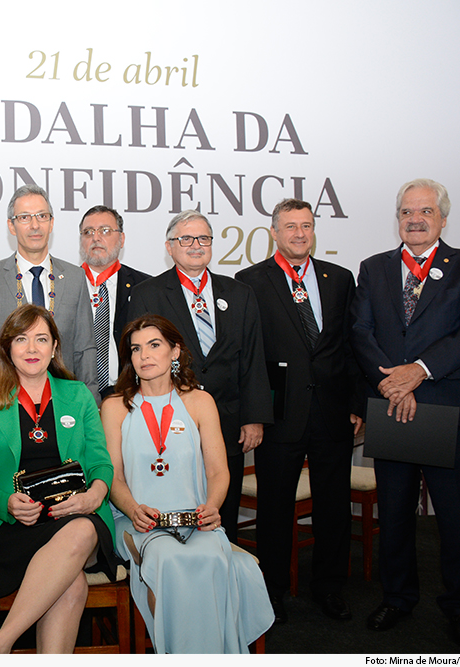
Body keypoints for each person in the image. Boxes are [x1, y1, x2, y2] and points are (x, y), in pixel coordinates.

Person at [352, 179, 460, 648]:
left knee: (455, 518)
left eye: (425, 211)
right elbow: (362, 333)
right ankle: (397, 597)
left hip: (449, 408)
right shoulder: (373, 268)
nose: (415, 218)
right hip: (393, 405)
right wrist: (392, 382)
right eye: (407, 211)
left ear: (443, 219)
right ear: (398, 219)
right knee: (394, 514)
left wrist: (419, 371)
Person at [101, 314, 273, 652]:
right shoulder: (115, 406)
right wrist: (134, 509)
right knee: (168, 561)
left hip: (195, 519)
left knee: (211, 560)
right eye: (136, 349)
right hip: (137, 522)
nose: (144, 355)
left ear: (175, 351)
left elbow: (218, 472)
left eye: (154, 345)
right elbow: (113, 477)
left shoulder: (199, 402)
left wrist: (212, 507)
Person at [235, 198, 362, 623]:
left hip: (332, 413)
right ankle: (271, 591)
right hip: (279, 416)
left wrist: (358, 403)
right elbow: (249, 356)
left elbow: (352, 346)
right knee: (274, 508)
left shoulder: (340, 279)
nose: (299, 234)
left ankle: (329, 587)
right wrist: (255, 411)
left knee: (333, 506)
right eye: (290, 226)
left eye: (306, 226)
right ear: (274, 232)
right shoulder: (249, 281)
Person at [0, 304, 117, 653]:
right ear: (8, 349)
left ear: (54, 348)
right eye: (21, 339)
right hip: (13, 527)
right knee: (72, 584)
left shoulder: (78, 395)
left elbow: (101, 463)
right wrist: (7, 503)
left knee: (81, 529)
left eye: (41, 339)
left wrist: (94, 496)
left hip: (76, 516)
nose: (32, 349)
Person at [128, 209, 272, 542]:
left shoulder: (239, 293)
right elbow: (137, 358)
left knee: (223, 517)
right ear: (170, 247)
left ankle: (223, 580)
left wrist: (254, 417)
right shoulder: (149, 294)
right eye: (186, 239)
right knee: (178, 512)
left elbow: (252, 358)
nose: (196, 245)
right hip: (171, 423)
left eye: (203, 238)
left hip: (228, 420)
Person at [0, 184, 99, 410]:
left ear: (52, 222)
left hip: (64, 404)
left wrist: (92, 406)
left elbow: (85, 348)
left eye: (42, 216)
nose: (35, 225)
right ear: (12, 226)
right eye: (25, 217)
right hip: (2, 403)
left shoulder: (75, 278)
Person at [78, 205, 150, 397]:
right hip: (75, 393)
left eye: (105, 231)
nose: (95, 238)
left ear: (122, 239)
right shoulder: (64, 283)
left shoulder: (144, 286)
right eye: (88, 232)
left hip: (129, 393)